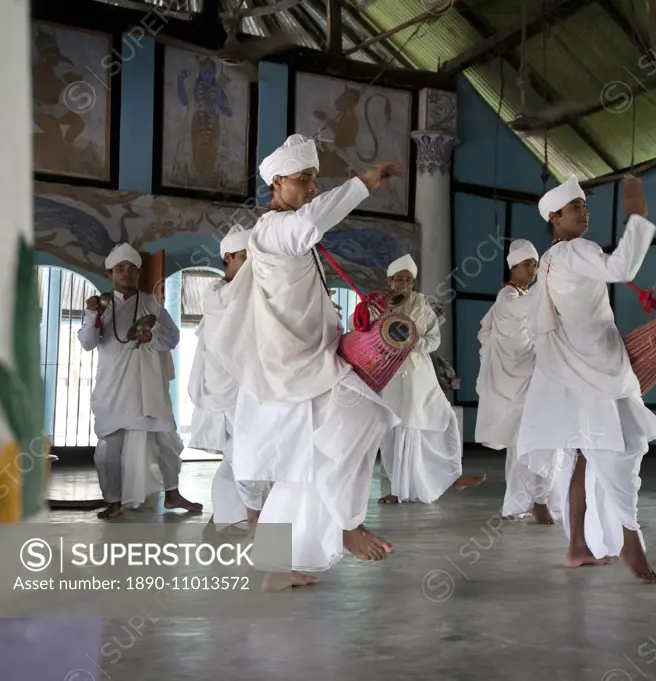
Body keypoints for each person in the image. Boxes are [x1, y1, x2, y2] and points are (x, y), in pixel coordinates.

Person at [204, 133, 405, 590]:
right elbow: (312, 222)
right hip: (298, 366)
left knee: (301, 468)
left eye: (315, 180)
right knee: (366, 417)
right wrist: (365, 182)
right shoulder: (277, 229)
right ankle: (349, 526)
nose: (312, 188)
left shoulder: (284, 231)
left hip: (307, 358)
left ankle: (275, 567)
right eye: (304, 179)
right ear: (277, 182)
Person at [516, 175, 656, 584]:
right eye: (576, 207)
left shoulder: (548, 260)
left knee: (586, 459)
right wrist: (638, 216)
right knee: (622, 454)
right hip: (597, 370)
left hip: (573, 370)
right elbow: (621, 267)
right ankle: (631, 543)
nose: (585, 212)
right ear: (555, 217)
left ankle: (577, 547)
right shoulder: (575, 251)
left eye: (585, 205)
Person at [78, 243, 203, 519]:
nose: (127, 273)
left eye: (132, 268)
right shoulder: (101, 305)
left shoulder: (153, 302)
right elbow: (87, 343)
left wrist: (152, 338)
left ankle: (172, 494)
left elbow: (173, 338)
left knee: (167, 443)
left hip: (149, 386)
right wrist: (90, 315)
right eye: (121, 269)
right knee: (109, 449)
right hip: (113, 387)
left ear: (138, 272)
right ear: (110, 272)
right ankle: (113, 500)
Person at [376, 254, 486, 504]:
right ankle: (397, 489)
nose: (403, 283)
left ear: (413, 283)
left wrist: (411, 342)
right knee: (397, 429)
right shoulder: (379, 305)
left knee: (443, 418)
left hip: (419, 373)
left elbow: (433, 339)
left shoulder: (423, 306)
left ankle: (453, 476)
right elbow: (365, 331)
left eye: (408, 279)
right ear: (390, 280)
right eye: (399, 279)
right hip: (390, 373)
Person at [189, 225, 268, 534]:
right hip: (227, 385)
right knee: (241, 453)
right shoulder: (216, 292)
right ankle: (250, 514)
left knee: (244, 453)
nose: (253, 264)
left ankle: (229, 515)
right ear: (229, 258)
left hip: (254, 385)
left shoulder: (253, 290)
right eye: (247, 257)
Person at [476, 238, 555, 524]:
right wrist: (554, 281)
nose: (532, 269)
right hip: (517, 381)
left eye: (535, 265)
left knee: (527, 442)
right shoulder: (508, 298)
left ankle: (525, 501)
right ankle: (535, 501)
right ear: (513, 268)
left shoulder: (521, 295)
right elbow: (530, 308)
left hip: (532, 374)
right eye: (527, 265)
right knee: (526, 441)